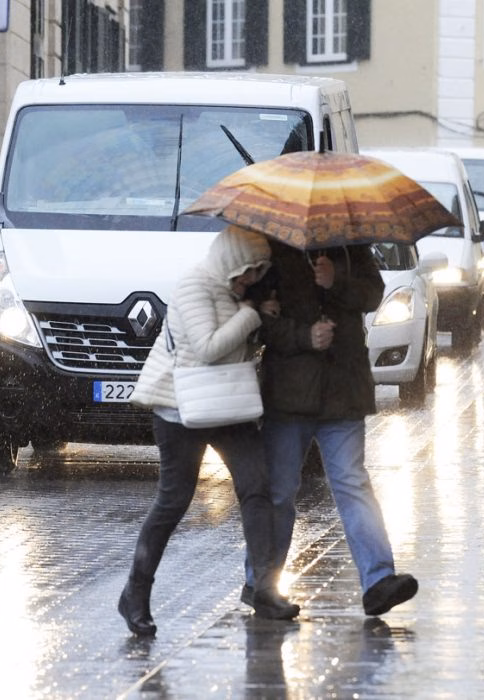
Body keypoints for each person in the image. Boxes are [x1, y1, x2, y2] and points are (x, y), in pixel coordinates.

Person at [119, 224, 300, 637]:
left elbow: (238, 349)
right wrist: (252, 315)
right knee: (173, 502)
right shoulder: (194, 287)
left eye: (257, 271)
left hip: (228, 406)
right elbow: (207, 348)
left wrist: (256, 318)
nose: (250, 280)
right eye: (245, 272)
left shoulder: (241, 293)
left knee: (257, 487)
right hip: (179, 409)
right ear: (228, 264)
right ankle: (135, 593)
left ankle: (264, 590)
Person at [243, 240, 419, 617]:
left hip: (343, 391)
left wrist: (335, 281)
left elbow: (373, 295)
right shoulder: (274, 250)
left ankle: (378, 581)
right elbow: (256, 317)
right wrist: (302, 336)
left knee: (352, 482)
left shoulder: (352, 247)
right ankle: (261, 583)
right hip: (289, 396)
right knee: (279, 491)